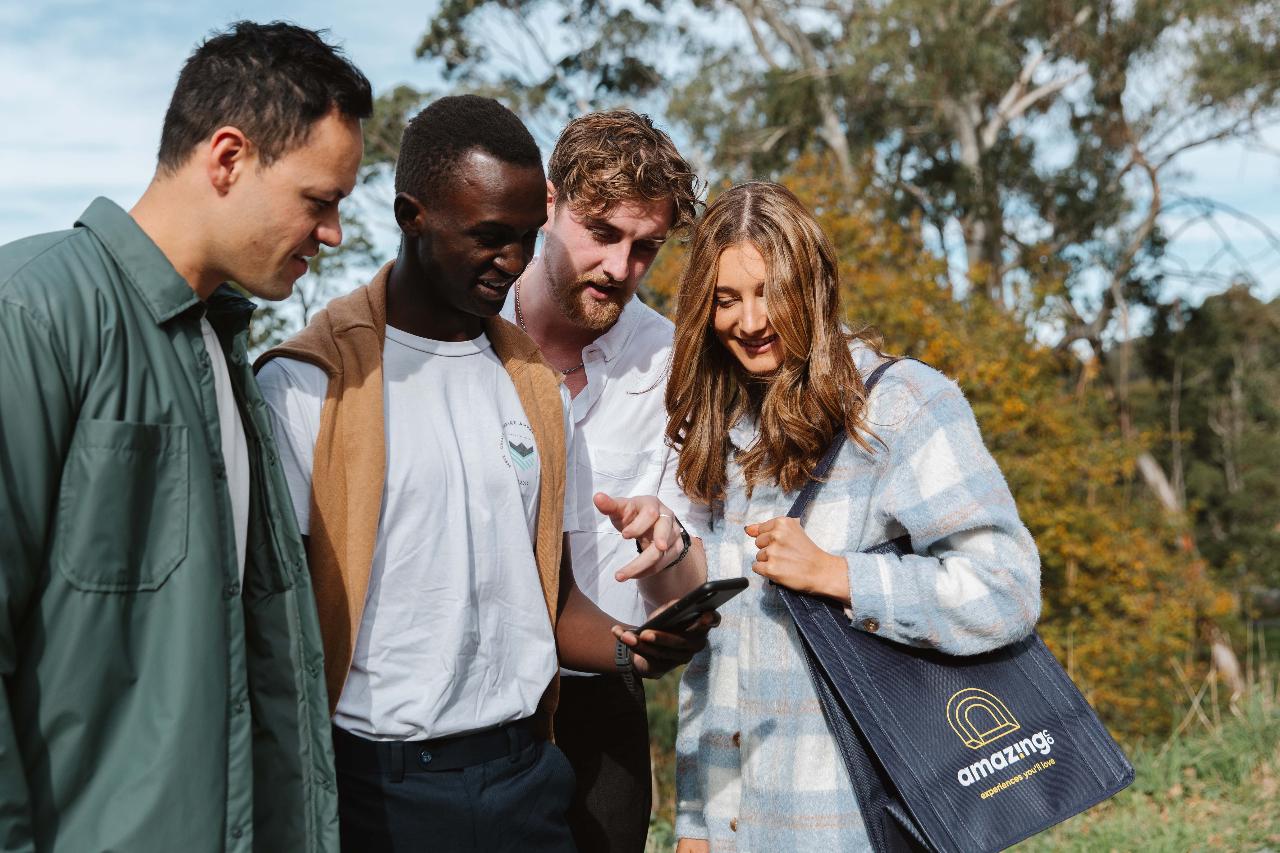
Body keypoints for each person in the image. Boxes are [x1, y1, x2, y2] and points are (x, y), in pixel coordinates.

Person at [255, 95, 714, 853]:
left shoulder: (535, 386)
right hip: (375, 785)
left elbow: (552, 596)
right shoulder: (309, 388)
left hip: (530, 774)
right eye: (491, 237)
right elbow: (273, 627)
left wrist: (637, 644)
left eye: (523, 240)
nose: (511, 260)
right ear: (413, 216)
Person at [0, 21, 371, 853]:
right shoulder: (28, 313)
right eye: (321, 200)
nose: (335, 233)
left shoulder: (226, 348)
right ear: (229, 157)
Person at [663, 183, 1042, 851]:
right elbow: (721, 659)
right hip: (743, 829)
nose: (749, 322)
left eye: (769, 293)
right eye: (726, 300)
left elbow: (1006, 588)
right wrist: (696, 823)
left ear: (811, 287)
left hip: (858, 825)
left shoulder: (903, 406)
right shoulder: (726, 431)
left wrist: (842, 575)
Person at [500, 109, 707, 853]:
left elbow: (681, 580)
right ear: (548, 205)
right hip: (473, 709)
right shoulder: (465, 334)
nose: (620, 268)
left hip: (604, 703)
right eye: (602, 232)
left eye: (645, 246)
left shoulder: (674, 364)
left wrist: (671, 544)